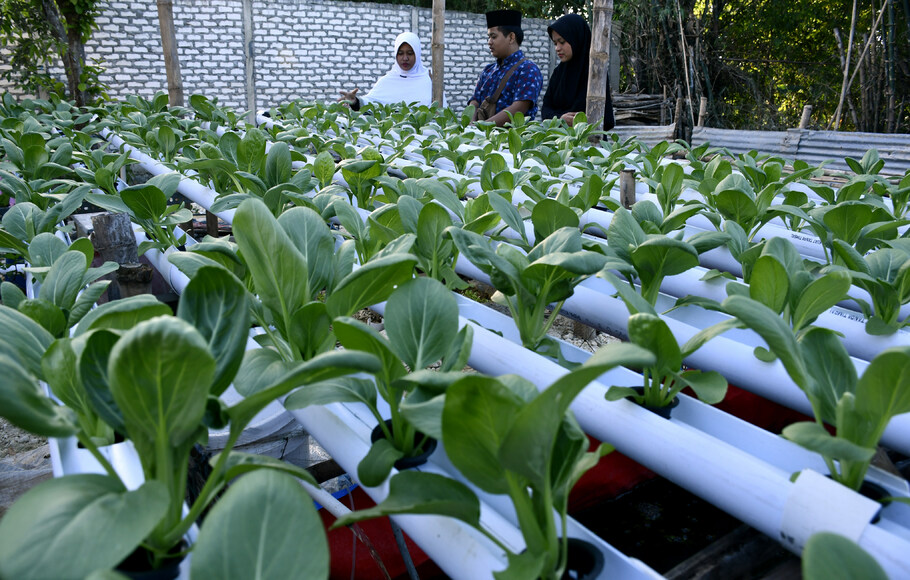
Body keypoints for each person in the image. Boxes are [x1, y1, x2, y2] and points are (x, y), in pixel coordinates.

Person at [468, 9, 543, 126]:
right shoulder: (488, 70)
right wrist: (471, 124)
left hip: (512, 141)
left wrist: (482, 128)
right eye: (489, 37)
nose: (489, 42)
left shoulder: (528, 69)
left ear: (511, 37)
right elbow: (474, 101)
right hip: (480, 140)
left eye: (493, 37)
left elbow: (519, 108)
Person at [541, 13, 615, 130]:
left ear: (576, 38)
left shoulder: (595, 73)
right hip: (558, 141)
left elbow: (604, 119)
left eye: (562, 42)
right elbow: (545, 109)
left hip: (588, 143)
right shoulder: (558, 73)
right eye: (555, 43)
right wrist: (560, 118)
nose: (557, 48)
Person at [339, 31, 444, 110]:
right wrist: (355, 101)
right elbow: (370, 103)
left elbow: (442, 113)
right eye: (400, 53)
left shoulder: (429, 81)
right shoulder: (387, 81)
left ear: (417, 53)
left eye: (410, 53)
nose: (405, 58)